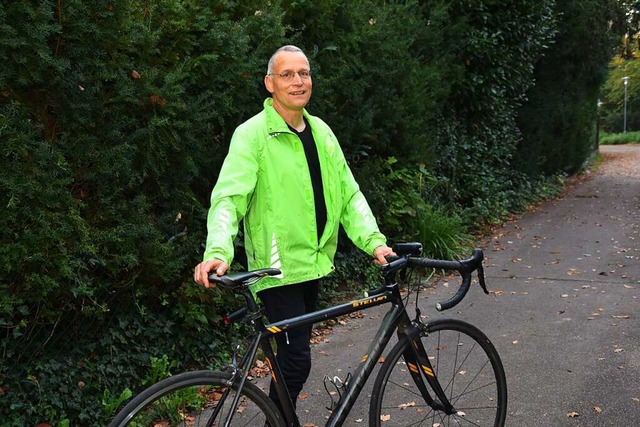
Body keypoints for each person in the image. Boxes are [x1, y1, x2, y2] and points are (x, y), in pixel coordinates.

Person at [194, 45, 394, 419]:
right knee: (297, 362)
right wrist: (218, 250)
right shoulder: (252, 135)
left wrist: (375, 242)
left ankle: (280, 419)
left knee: (292, 364)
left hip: (313, 265)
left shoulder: (322, 132)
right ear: (270, 84)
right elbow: (228, 197)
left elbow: (349, 193)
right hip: (276, 271)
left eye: (304, 73)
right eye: (287, 75)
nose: (298, 81)